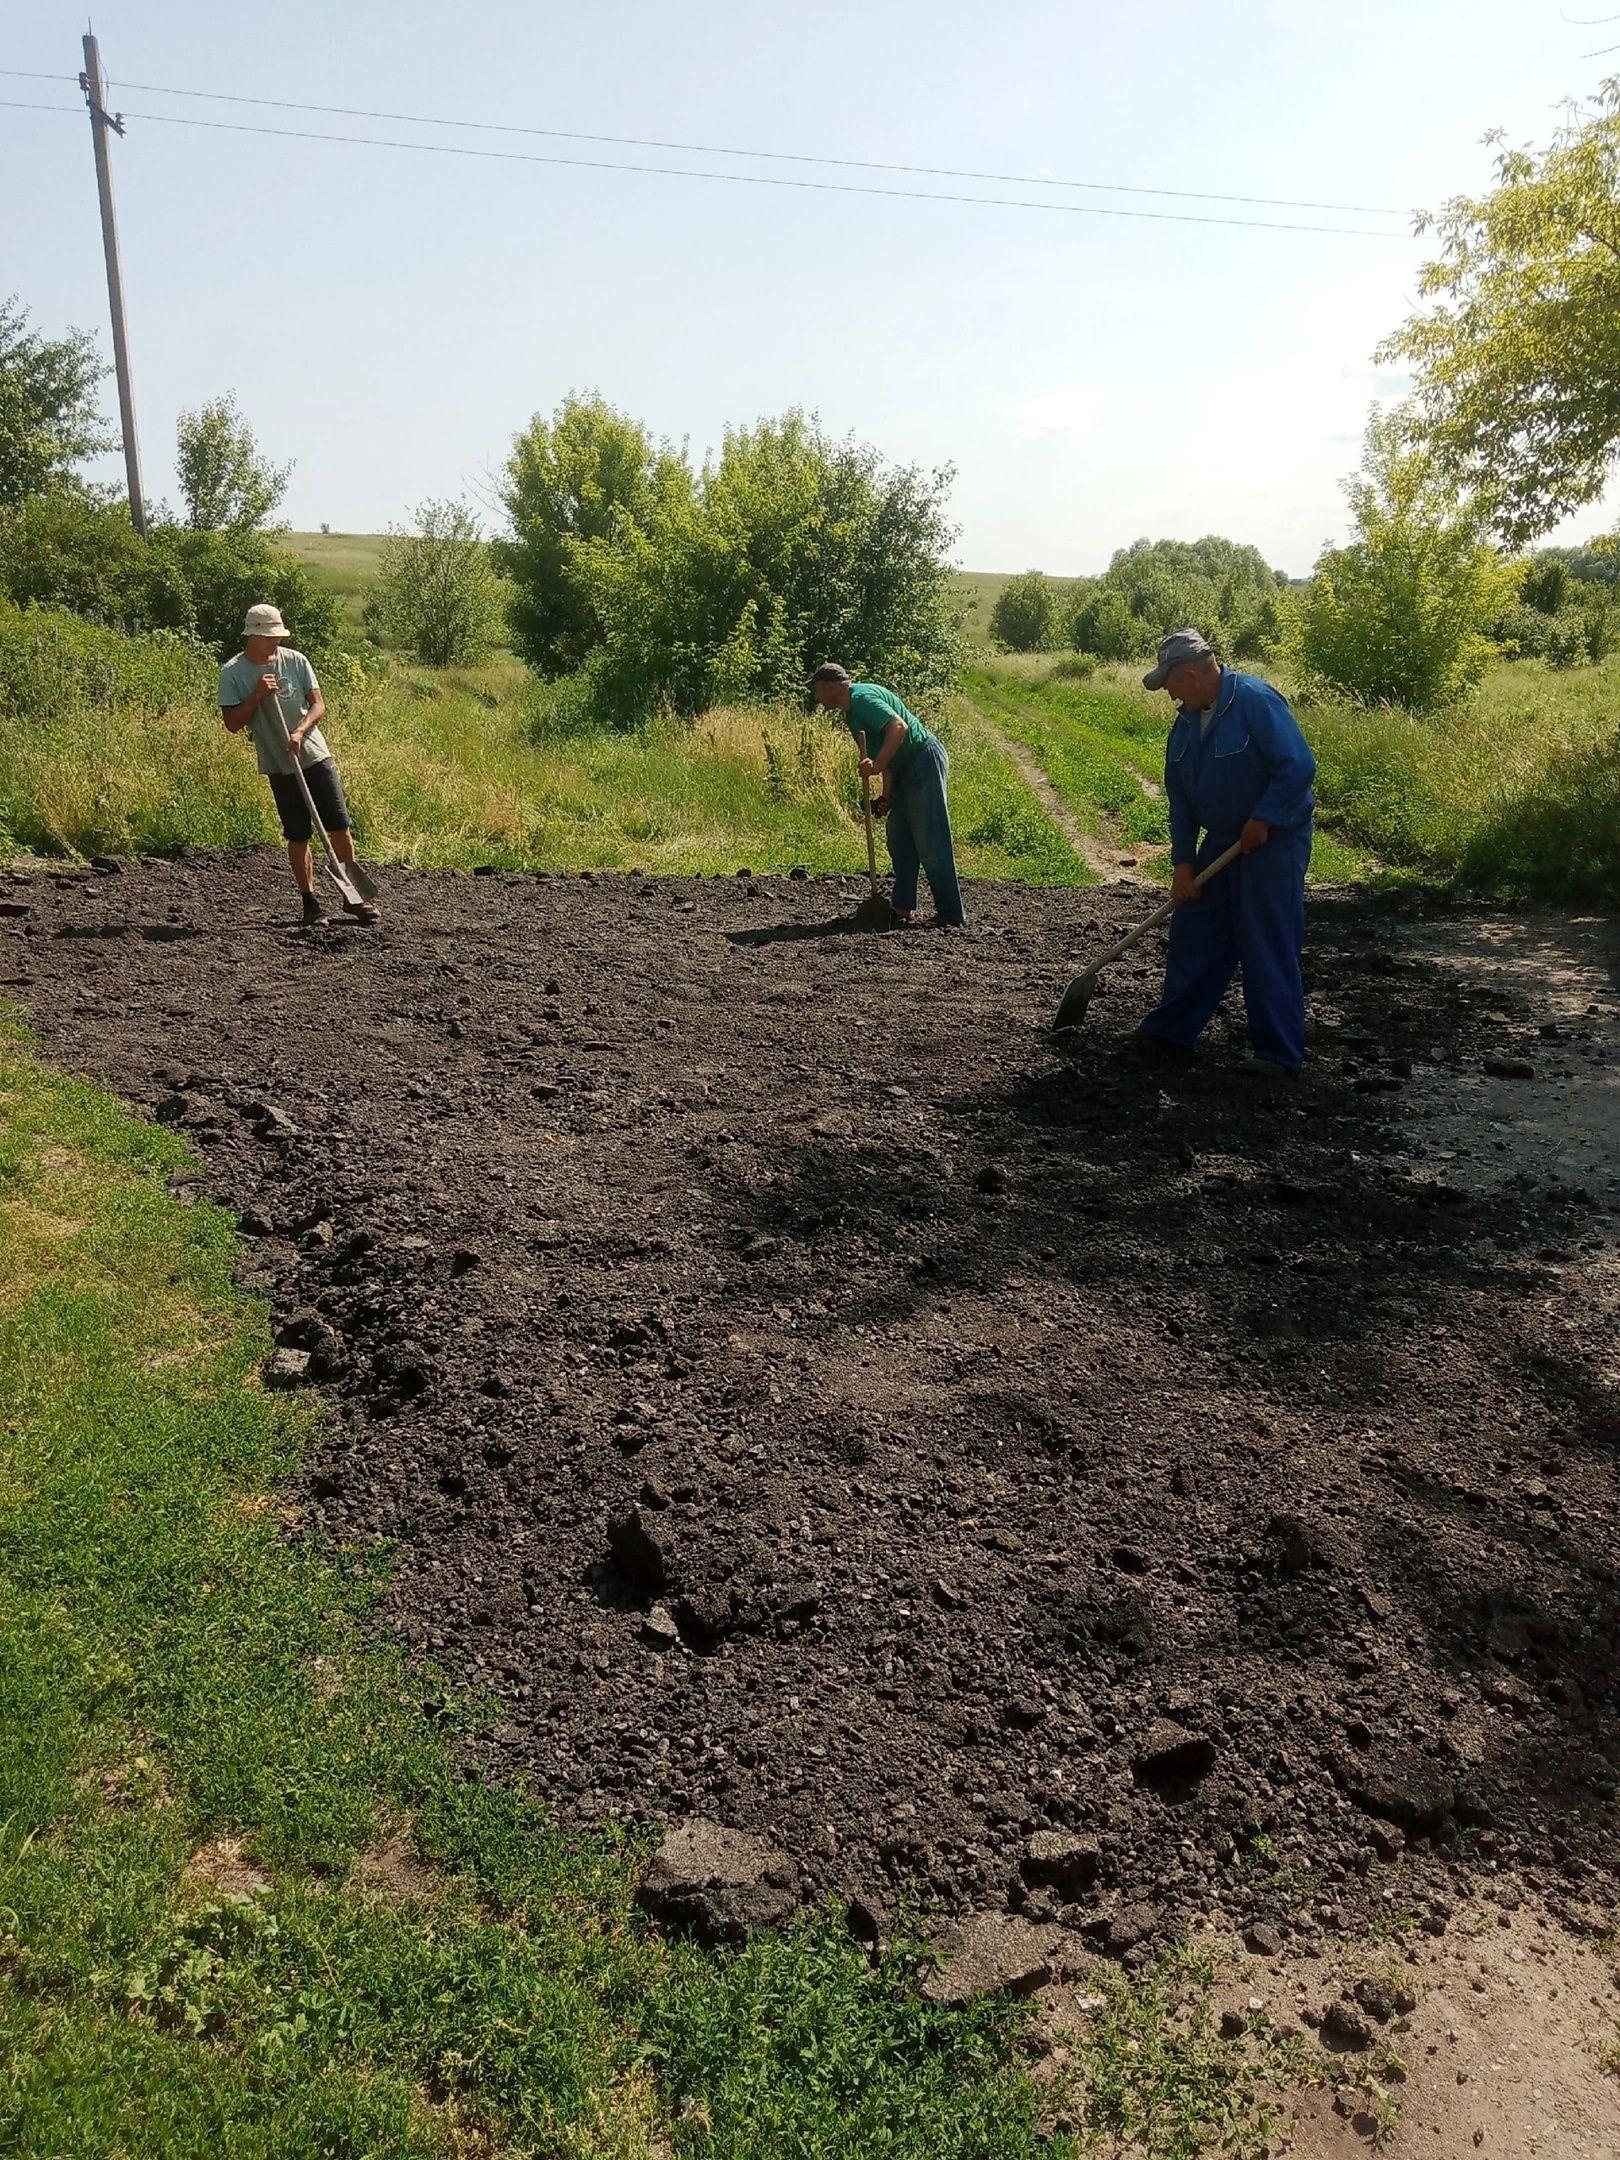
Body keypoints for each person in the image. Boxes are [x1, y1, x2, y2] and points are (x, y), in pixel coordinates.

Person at [1136, 628, 1315, 1076]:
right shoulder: (1185, 725)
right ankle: (1172, 1029)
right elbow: (1180, 800)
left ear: (1193, 675)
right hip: (1221, 843)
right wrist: (1182, 863)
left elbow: (1297, 766)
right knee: (1194, 930)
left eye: (1171, 683)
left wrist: (1265, 817)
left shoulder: (1255, 701)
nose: (1169, 695)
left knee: (1266, 941)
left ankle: (1278, 1052)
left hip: (1272, 845)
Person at [218, 603, 377, 925]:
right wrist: (256, 696)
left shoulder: (296, 661)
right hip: (279, 763)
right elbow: (232, 723)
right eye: (268, 637)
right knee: (298, 833)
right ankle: (311, 904)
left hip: (315, 754)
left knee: (339, 826)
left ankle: (354, 898)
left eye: (277, 636)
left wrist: (300, 732)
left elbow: (318, 704)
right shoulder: (232, 672)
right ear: (253, 635)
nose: (274, 642)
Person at [809, 663, 966, 926]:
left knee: (930, 840)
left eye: (817, 691)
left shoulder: (861, 699)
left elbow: (899, 727)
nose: (816, 697)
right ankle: (902, 907)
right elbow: (888, 749)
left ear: (828, 685)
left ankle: (951, 914)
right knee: (899, 838)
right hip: (904, 768)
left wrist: (877, 764)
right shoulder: (851, 713)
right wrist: (887, 796)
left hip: (922, 760)